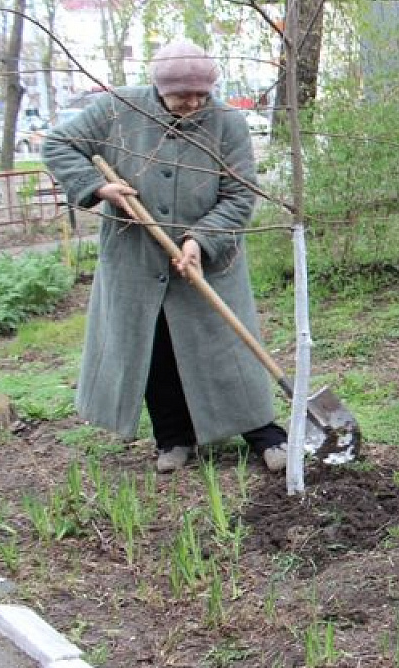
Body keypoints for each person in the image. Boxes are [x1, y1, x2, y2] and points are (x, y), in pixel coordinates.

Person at [42, 39, 287, 474]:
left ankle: (266, 434)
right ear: (158, 87)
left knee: (228, 346)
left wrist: (199, 240)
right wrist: (100, 189)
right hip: (136, 259)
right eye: (181, 96)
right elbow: (58, 144)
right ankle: (173, 438)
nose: (193, 103)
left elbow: (238, 194)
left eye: (201, 94)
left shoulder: (227, 122)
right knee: (153, 348)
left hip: (211, 259)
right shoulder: (119, 109)